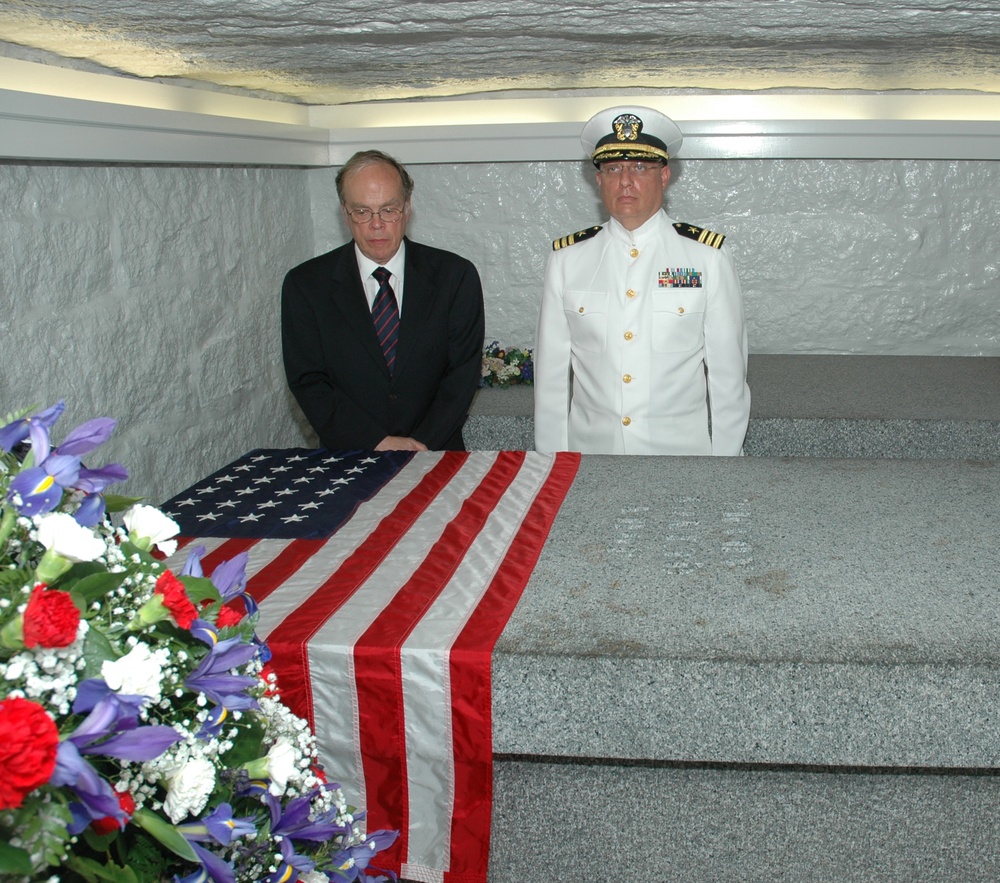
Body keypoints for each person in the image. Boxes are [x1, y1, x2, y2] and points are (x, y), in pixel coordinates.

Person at [534, 106, 751, 456]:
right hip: (592, 457)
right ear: (598, 179)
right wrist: (552, 464)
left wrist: (722, 468)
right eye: (613, 168)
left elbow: (728, 380)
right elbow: (551, 382)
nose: (625, 181)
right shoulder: (567, 260)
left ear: (664, 176)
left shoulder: (706, 257)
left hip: (682, 459)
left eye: (639, 167)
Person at [282, 149, 485, 451]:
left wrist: (419, 445)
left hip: (436, 454)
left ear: (407, 207)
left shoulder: (455, 277)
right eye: (362, 212)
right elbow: (309, 381)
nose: (376, 224)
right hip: (348, 458)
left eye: (388, 210)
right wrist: (376, 443)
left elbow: (462, 375)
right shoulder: (305, 286)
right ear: (344, 211)